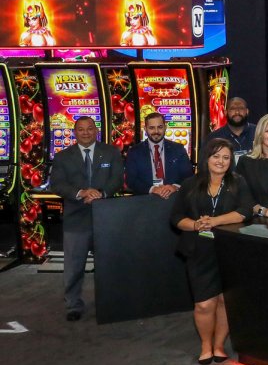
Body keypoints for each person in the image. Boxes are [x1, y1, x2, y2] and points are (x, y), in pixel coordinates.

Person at [169, 138, 252, 363]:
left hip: (230, 252)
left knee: (225, 301)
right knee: (204, 303)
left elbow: (245, 211)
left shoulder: (238, 182)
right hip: (198, 251)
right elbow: (176, 217)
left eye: (226, 157)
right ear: (206, 158)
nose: (221, 161)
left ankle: (219, 345)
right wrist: (196, 225)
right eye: (216, 156)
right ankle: (206, 344)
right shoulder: (190, 184)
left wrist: (214, 221)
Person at [49, 116, 125, 321]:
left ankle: (110, 303)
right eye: (81, 129)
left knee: (108, 265)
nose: (85, 132)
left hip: (106, 218)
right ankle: (73, 305)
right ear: (75, 132)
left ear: (96, 130)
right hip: (76, 219)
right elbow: (57, 184)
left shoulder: (111, 152)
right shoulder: (62, 157)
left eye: (89, 128)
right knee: (74, 267)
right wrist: (81, 192)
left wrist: (101, 193)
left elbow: (117, 179)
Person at [124, 112, 193, 197]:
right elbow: (131, 180)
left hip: (172, 198)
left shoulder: (178, 149)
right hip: (144, 199)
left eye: (160, 127)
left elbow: (188, 176)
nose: (156, 131)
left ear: (165, 127)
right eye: (152, 128)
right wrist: (152, 189)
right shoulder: (134, 152)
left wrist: (175, 187)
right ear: (145, 129)